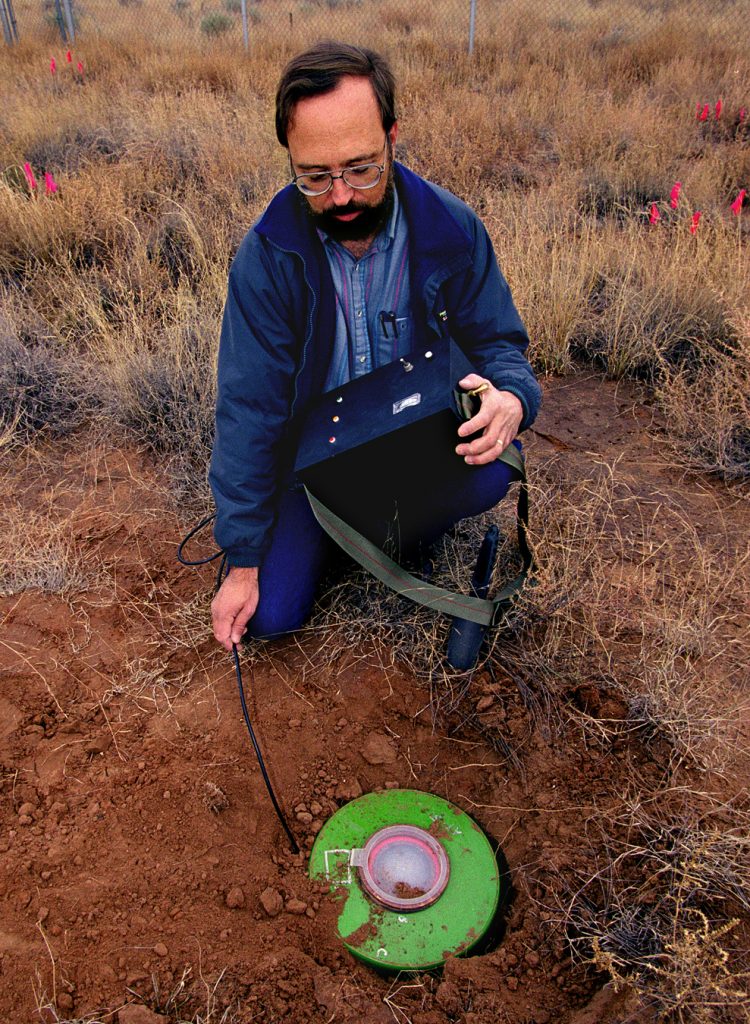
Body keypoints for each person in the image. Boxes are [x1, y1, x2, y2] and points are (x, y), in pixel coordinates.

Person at [209, 41, 541, 651]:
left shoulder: (450, 229)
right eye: (314, 177)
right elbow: (248, 410)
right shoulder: (268, 256)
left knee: (491, 467)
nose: (340, 196)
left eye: (361, 168)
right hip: (310, 473)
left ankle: (388, 530)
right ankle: (342, 534)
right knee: (272, 616)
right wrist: (244, 561)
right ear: (289, 158)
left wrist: (511, 399)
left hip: (409, 446)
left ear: (392, 136)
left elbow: (500, 344)